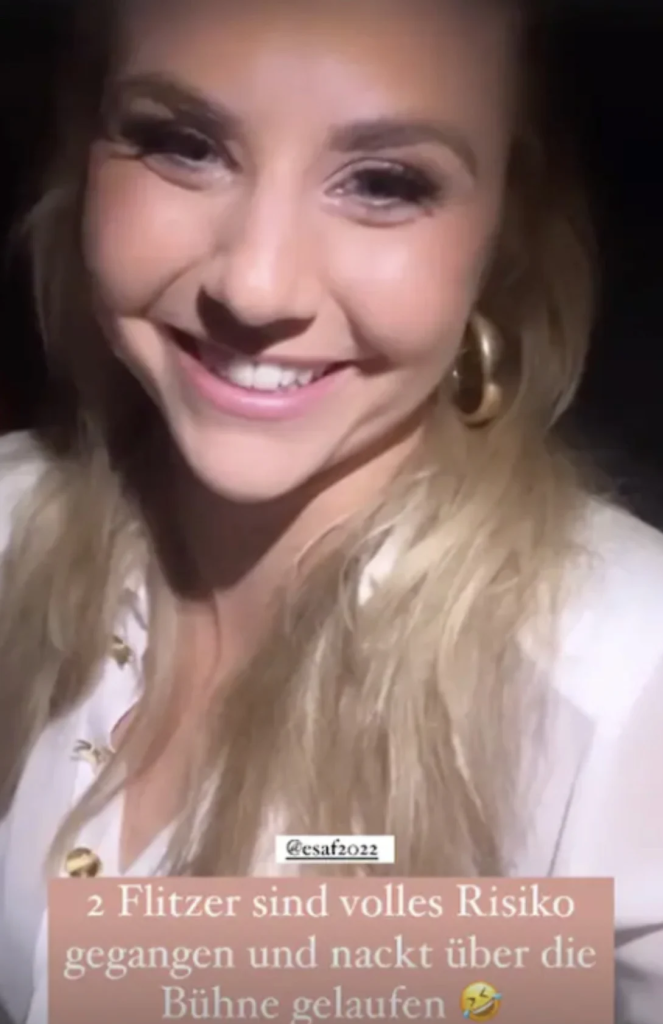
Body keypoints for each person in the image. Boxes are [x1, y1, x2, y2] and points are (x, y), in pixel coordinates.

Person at [0, 0, 661, 1021]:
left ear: (504, 231)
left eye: (386, 183)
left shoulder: (620, 679)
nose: (256, 286)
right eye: (184, 145)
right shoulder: (12, 525)